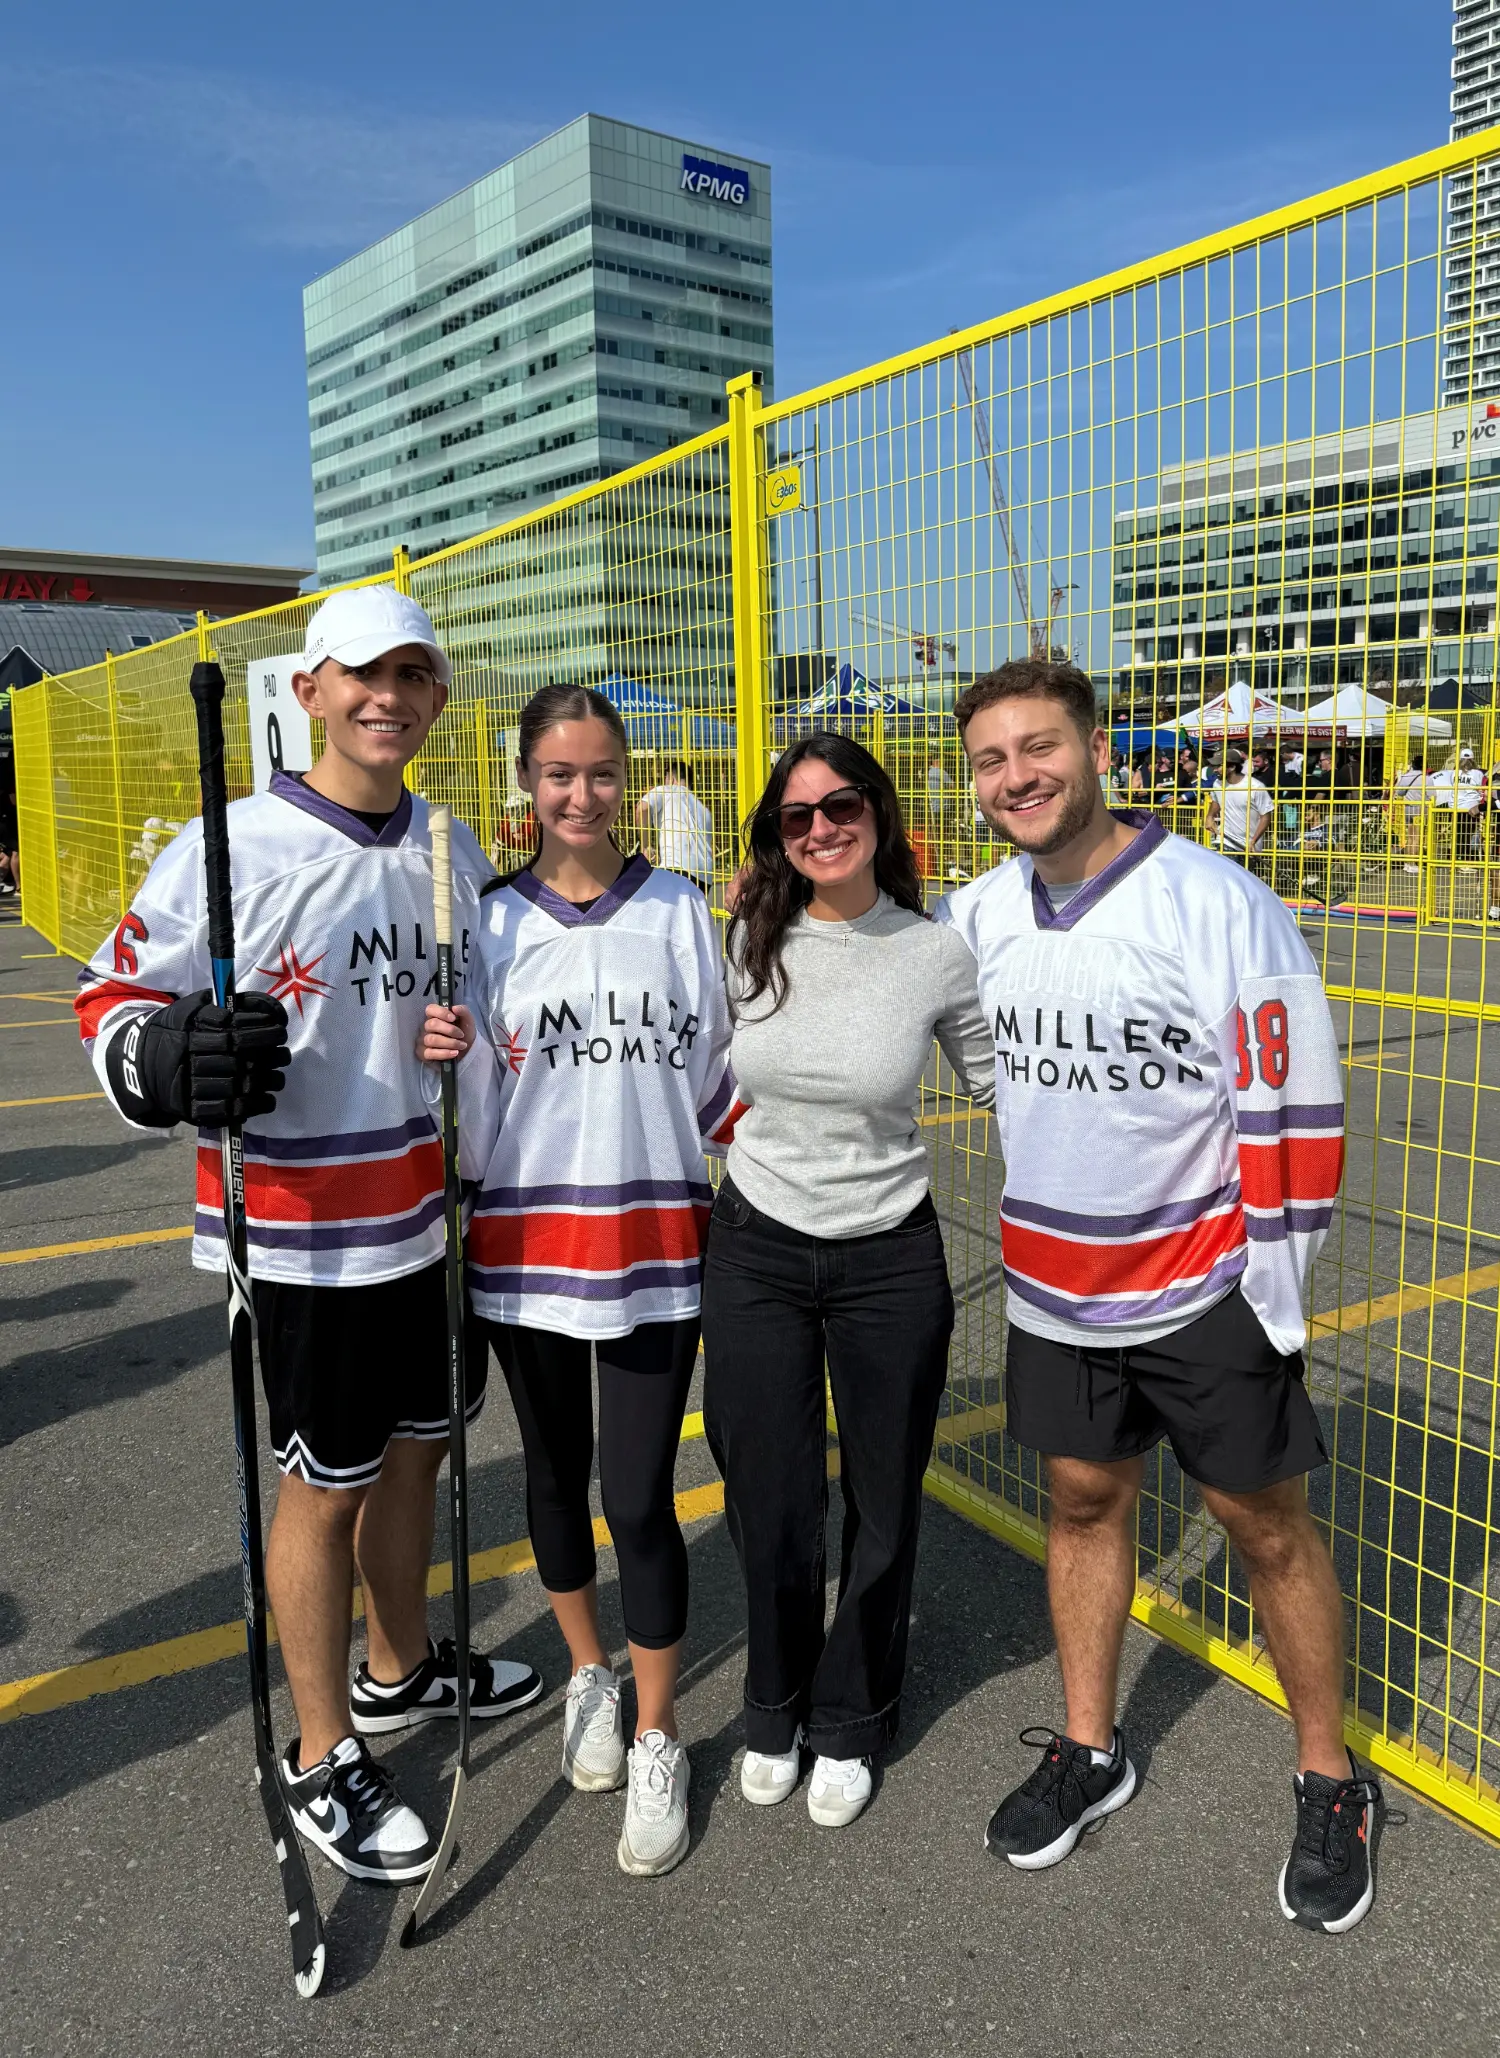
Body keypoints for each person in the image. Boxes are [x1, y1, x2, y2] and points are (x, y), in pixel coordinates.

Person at [75, 587, 542, 1887]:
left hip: (423, 1213)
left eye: (413, 675)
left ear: (436, 696)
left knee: (419, 1452)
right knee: (325, 1485)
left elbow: (478, 1006)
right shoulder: (233, 845)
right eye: (363, 675)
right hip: (301, 1230)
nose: (389, 697)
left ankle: (398, 1670)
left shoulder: (448, 843)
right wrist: (164, 1056)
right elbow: (111, 994)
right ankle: (322, 1748)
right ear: (311, 691)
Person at [939, 657, 1379, 1935]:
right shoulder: (978, 913)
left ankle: (1330, 1777)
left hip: (1203, 1292)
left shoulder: (1216, 903)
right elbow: (958, 1041)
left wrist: (1273, 1298)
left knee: (1266, 1528)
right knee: (1083, 1504)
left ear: (1098, 750)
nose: (1017, 776)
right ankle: (1091, 1748)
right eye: (990, 760)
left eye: (1040, 747)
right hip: (1053, 1293)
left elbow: (1294, 1110)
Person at [421, 685, 738, 1880]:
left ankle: (659, 1734)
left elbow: (717, 1074)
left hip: (656, 1241)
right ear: (526, 780)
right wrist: (438, 1059)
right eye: (559, 773)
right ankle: (588, 1675)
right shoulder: (490, 924)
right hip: (525, 1246)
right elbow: (474, 1110)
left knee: (640, 1494)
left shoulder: (680, 912)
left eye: (602, 772)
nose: (582, 795)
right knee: (554, 1479)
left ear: (627, 778)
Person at [698, 732, 994, 1831]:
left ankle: (853, 1712)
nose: (821, 828)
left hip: (887, 1252)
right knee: (768, 1493)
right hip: (757, 1243)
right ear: (775, 836)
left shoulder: (935, 950)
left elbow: (1005, 1081)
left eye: (841, 806)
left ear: (879, 811)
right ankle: (774, 1699)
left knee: (883, 1495)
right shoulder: (747, 937)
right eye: (797, 816)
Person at [634, 759, 716, 897]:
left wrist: (646, 846)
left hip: (676, 869)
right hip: (704, 877)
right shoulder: (703, 809)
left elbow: (642, 808)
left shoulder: (667, 790)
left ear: (671, 778)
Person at [1205, 748, 1273, 872]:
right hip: (1226, 840)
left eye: (1218, 766)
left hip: (1249, 845)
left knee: (1243, 880)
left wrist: (1253, 841)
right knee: (1225, 874)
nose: (1214, 770)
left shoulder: (1255, 786)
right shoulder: (1217, 784)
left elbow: (1266, 817)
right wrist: (1209, 817)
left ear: (1232, 767)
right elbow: (1216, 801)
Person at [1427, 747, 1486, 863]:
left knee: (1457, 832)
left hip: (1455, 807)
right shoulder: (1478, 773)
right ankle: (1463, 856)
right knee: (1468, 833)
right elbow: (1481, 788)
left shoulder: (1454, 773)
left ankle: (1457, 855)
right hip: (1472, 808)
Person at [1391, 750, 1425, 866]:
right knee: (1417, 838)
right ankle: (1413, 864)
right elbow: (1433, 795)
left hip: (1408, 808)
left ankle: (1408, 863)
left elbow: (1400, 792)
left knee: (1410, 837)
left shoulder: (1406, 776)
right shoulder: (1426, 778)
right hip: (1420, 809)